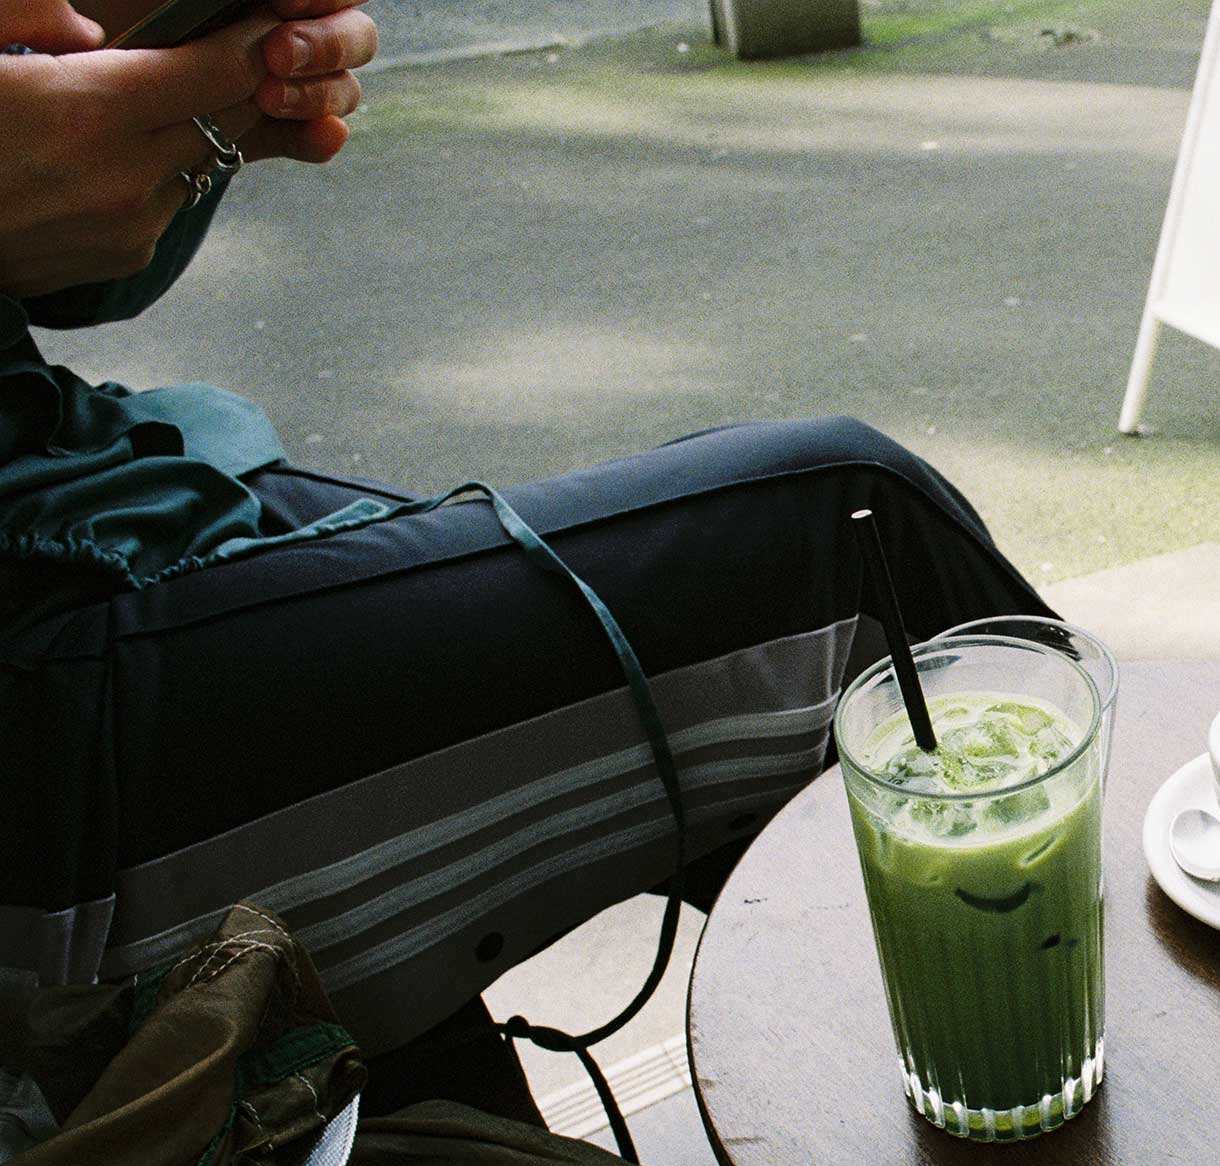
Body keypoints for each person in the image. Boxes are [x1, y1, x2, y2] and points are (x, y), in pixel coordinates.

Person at [0, 0, 1051, 1090]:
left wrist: (155, 86)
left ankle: (963, 1131)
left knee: (635, 703)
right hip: (38, 713)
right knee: (844, 536)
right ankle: (1135, 1114)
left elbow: (87, 271)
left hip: (110, 484)